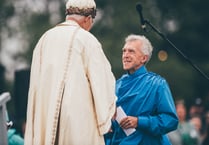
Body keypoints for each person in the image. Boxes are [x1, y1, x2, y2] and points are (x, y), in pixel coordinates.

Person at [24, 0, 116, 144]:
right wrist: (106, 117)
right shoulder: (87, 40)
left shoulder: (44, 39)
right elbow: (101, 82)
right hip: (77, 119)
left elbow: (35, 86)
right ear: (87, 19)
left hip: (46, 116)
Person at [105, 34, 178, 145]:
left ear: (144, 58)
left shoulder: (157, 84)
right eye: (124, 51)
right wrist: (109, 125)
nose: (125, 55)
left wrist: (139, 122)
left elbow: (171, 120)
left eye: (131, 51)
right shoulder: (117, 85)